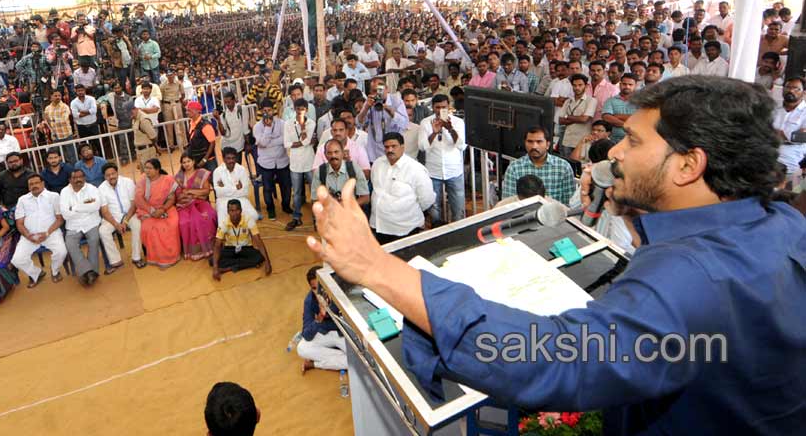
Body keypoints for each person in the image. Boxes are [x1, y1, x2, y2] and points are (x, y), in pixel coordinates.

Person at [308, 74, 806, 435]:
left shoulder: (692, 276)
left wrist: (375, 266)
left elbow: (556, 357)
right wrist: (639, 213)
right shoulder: (782, 223)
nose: (614, 153)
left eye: (632, 141)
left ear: (688, 164)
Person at [370, 132, 435, 244]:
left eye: (393, 146)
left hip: (405, 229)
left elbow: (427, 199)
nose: (390, 150)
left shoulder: (415, 169)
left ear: (402, 147)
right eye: (386, 147)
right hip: (379, 227)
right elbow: (376, 189)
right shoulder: (378, 164)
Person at [418, 94, 466, 226]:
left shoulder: (458, 122)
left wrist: (450, 129)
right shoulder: (425, 123)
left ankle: (459, 236)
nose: (440, 110)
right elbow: (422, 147)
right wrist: (434, 133)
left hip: (454, 171)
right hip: (433, 172)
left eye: (443, 107)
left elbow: (461, 145)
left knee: (458, 210)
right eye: (437, 107)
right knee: (434, 210)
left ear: (449, 107)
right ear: (432, 107)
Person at [12, 173, 68, 287]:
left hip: (51, 233)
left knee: (61, 251)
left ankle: (55, 271)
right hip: (30, 235)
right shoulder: (22, 200)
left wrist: (47, 233)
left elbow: (59, 219)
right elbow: (19, 223)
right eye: (31, 184)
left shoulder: (54, 196)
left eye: (36, 183)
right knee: (17, 260)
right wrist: (29, 236)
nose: (34, 186)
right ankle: (36, 273)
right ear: (28, 187)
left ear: (43, 183)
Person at [500, 127, 575, 205]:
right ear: (525, 143)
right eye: (530, 142)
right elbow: (508, 203)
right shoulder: (514, 168)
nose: (534, 146)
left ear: (548, 145)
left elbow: (569, 203)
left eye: (539, 142)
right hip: (522, 216)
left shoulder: (563, 167)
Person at [297, 265, 346, 373]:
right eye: (314, 288)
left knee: (363, 361)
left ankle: (314, 364)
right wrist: (320, 317)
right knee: (302, 348)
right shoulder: (309, 301)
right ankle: (344, 358)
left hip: (345, 334)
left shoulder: (341, 291)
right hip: (326, 332)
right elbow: (307, 335)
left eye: (321, 287)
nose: (319, 292)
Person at [134, 158, 181, 268]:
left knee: (172, 225)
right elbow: (138, 199)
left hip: (166, 208)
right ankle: (157, 258)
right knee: (151, 229)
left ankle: (172, 256)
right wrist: (152, 211)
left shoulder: (168, 179)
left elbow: (171, 199)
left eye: (150, 168)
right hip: (147, 209)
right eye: (145, 168)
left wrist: (162, 209)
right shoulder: (142, 181)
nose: (146, 170)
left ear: (157, 169)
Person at [59, 169, 102, 286]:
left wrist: (75, 208)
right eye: (75, 177)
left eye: (80, 177)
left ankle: (88, 272)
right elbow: (65, 214)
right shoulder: (64, 192)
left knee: (94, 240)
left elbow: (96, 206)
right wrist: (86, 208)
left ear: (84, 178)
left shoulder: (92, 189)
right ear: (70, 180)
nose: (78, 179)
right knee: (70, 244)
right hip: (73, 225)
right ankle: (89, 271)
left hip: (91, 222)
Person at [211, 200, 272, 280]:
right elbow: (217, 245)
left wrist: (268, 263)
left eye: (237, 210)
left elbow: (258, 241)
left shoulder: (248, 220)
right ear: (228, 212)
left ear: (241, 210)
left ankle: (228, 268)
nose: (235, 213)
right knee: (212, 261)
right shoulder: (224, 223)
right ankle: (246, 263)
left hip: (246, 247)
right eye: (232, 211)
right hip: (230, 248)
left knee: (260, 257)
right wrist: (215, 267)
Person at [253, 99, 292, 220]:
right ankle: (271, 210)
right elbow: (263, 143)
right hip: (265, 163)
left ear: (273, 110)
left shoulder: (282, 123)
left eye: (269, 110)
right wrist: (268, 129)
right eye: (264, 111)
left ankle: (285, 206)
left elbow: (285, 141)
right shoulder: (257, 127)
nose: (267, 113)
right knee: (268, 188)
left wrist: (269, 142)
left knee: (286, 186)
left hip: (282, 161)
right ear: (261, 111)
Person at [175, 156, 217, 261]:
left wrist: (190, 192)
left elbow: (206, 191)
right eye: (184, 162)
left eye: (188, 161)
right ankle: (191, 251)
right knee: (184, 222)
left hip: (200, 203)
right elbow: (179, 195)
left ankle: (209, 247)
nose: (186, 164)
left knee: (209, 215)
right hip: (184, 205)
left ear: (193, 161)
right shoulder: (179, 177)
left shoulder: (201, 173)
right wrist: (195, 194)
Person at [98, 162, 138, 271]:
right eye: (108, 175)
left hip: (129, 214)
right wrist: (116, 225)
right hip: (112, 217)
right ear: (104, 176)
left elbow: (134, 204)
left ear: (117, 172)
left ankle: (136, 257)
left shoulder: (128, 182)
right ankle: (116, 261)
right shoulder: (101, 188)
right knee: (103, 231)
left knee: (138, 225)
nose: (111, 176)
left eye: (113, 173)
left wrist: (125, 221)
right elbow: (105, 211)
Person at [357, 77, 409, 162]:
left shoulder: (396, 101)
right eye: (374, 91)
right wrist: (366, 107)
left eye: (380, 90)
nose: (378, 93)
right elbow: (359, 123)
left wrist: (390, 111)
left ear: (387, 89)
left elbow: (405, 124)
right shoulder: (369, 102)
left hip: (393, 152)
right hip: (374, 154)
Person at [283, 98, 316, 231]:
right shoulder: (288, 124)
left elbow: (306, 140)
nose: (300, 111)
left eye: (302, 109)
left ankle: (316, 218)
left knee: (313, 192)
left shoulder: (312, 123)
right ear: (294, 110)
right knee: (296, 193)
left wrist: (302, 129)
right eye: (298, 109)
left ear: (306, 110)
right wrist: (304, 142)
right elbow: (286, 144)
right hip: (295, 163)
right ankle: (296, 218)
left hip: (309, 161)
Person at [312, 139, 370, 208]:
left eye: (336, 152)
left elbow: (365, 198)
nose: (333, 156)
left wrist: (346, 207)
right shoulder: (320, 171)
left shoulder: (353, 168)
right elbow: (315, 199)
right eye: (329, 153)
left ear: (343, 152)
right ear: (325, 154)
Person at [212, 147, 257, 228]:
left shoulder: (242, 170)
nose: (231, 161)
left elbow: (245, 191)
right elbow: (219, 193)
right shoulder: (217, 171)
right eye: (228, 158)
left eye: (233, 158)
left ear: (236, 158)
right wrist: (236, 188)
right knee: (223, 220)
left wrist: (226, 188)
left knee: (253, 215)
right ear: (223, 159)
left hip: (241, 199)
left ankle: (245, 236)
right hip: (223, 200)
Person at [774, 77, 806, 189]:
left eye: (796, 88)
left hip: (789, 161)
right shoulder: (774, 108)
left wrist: (778, 134)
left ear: (804, 92)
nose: (791, 91)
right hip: (767, 156)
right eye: (788, 87)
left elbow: (800, 136)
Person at [558, 74, 596, 159]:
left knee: (580, 167)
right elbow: (560, 121)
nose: (577, 88)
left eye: (580, 85)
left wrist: (567, 116)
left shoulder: (591, 101)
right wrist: (577, 118)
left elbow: (584, 119)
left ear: (586, 86)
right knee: (567, 165)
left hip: (582, 141)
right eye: (574, 85)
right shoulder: (568, 101)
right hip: (567, 140)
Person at [184, 100, 218, 173]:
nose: (186, 112)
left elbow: (212, 143)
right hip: (197, 159)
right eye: (186, 110)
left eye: (189, 110)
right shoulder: (191, 123)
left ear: (196, 111)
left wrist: (205, 159)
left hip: (208, 161)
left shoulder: (206, 125)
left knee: (214, 181)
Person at [70, 84, 100, 152]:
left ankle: (101, 158)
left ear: (85, 90)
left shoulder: (91, 99)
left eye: (82, 90)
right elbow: (75, 115)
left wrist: (82, 112)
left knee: (98, 144)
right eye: (78, 91)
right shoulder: (73, 102)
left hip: (93, 125)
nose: (80, 92)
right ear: (76, 91)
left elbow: (94, 110)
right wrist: (89, 112)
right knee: (85, 146)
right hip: (82, 127)